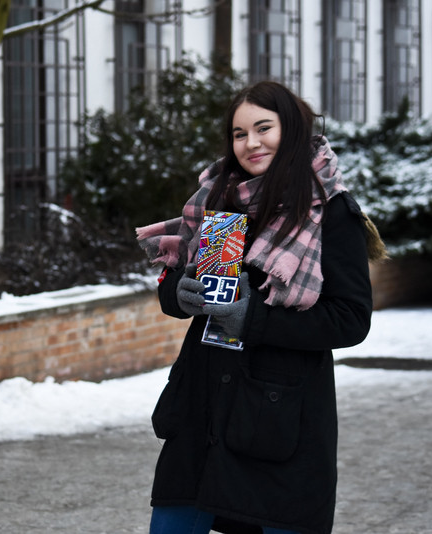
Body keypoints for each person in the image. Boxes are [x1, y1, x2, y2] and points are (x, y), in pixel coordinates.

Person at [136, 81, 385, 534]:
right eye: (238, 133)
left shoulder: (331, 211)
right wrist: (179, 293)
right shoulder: (222, 198)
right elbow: (186, 284)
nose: (250, 143)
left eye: (263, 128)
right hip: (203, 406)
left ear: (290, 129)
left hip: (278, 416)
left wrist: (254, 320)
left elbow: (350, 319)